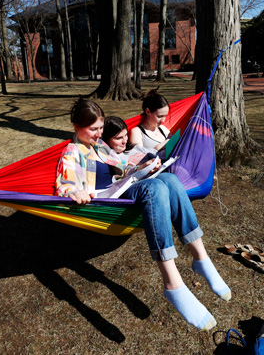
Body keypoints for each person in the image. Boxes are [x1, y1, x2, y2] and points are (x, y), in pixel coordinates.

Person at [55, 98, 230, 331]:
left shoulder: (99, 147)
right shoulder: (72, 151)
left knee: (170, 179)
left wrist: (141, 168)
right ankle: (172, 282)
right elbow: (64, 185)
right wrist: (75, 192)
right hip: (104, 203)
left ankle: (201, 258)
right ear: (77, 127)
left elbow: (121, 166)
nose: (99, 134)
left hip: (120, 189)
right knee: (155, 188)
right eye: (93, 129)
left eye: (100, 128)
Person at [129, 89, 171, 153]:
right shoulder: (137, 132)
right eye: (159, 116)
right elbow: (138, 156)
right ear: (148, 111)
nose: (163, 120)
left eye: (165, 116)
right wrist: (157, 148)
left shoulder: (163, 129)